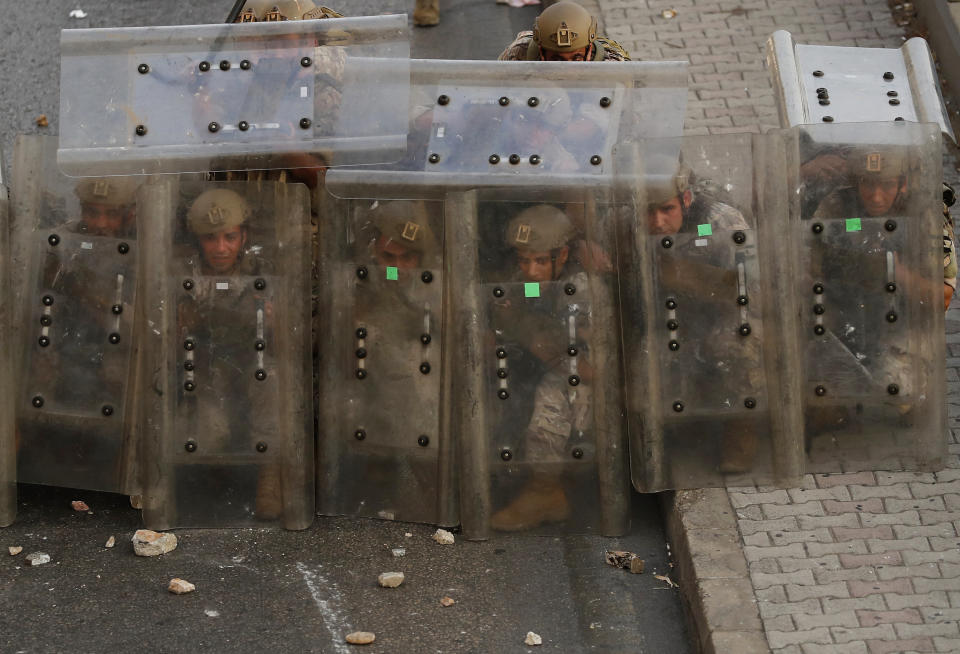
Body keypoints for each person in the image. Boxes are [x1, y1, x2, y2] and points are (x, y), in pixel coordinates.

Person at [489, 204, 594, 531]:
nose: (530, 271)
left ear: (561, 256)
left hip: (583, 380)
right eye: (523, 260)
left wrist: (522, 327)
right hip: (538, 366)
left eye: (539, 261)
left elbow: (586, 367)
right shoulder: (521, 281)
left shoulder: (581, 289)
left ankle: (544, 491)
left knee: (553, 395)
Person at [178, 188, 280, 519]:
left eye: (230, 237)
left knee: (271, 382)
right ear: (197, 240)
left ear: (244, 236)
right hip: (206, 367)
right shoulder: (184, 273)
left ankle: (270, 473)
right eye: (210, 239)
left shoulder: (263, 272)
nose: (221, 248)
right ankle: (212, 479)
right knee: (210, 434)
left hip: (252, 361)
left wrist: (274, 321)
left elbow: (286, 334)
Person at [814, 148, 957, 310]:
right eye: (867, 183)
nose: (876, 197)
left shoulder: (925, 213)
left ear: (902, 184)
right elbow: (808, 271)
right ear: (857, 182)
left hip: (907, 317)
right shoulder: (837, 207)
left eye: (887, 185)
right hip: (846, 309)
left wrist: (897, 272)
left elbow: (945, 297)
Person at [498, 1, 630, 62]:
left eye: (576, 58)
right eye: (556, 59)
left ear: (589, 49)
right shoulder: (518, 54)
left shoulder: (612, 66)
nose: (568, 68)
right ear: (541, 50)